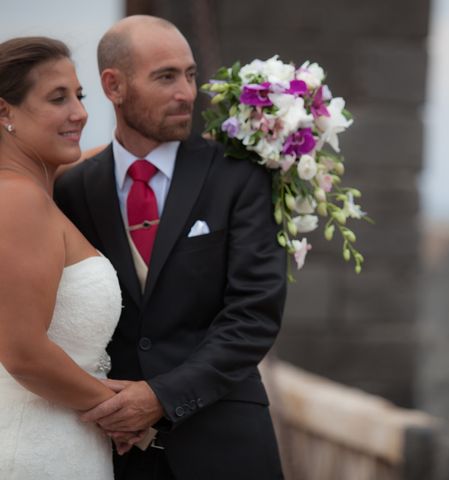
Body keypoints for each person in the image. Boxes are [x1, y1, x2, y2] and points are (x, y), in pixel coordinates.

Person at [55, 15, 287, 480]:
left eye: (190, 74)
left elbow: (254, 315)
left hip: (227, 445)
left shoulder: (241, 177)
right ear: (113, 86)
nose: (187, 92)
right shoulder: (72, 191)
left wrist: (160, 397)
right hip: (114, 454)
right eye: (166, 77)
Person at [0, 36, 124, 478]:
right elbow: (23, 354)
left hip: (64, 446)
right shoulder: (18, 202)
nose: (81, 112)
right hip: (36, 452)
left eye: (80, 95)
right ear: (4, 112)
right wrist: (124, 412)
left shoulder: (34, 187)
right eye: (58, 98)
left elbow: (111, 161)